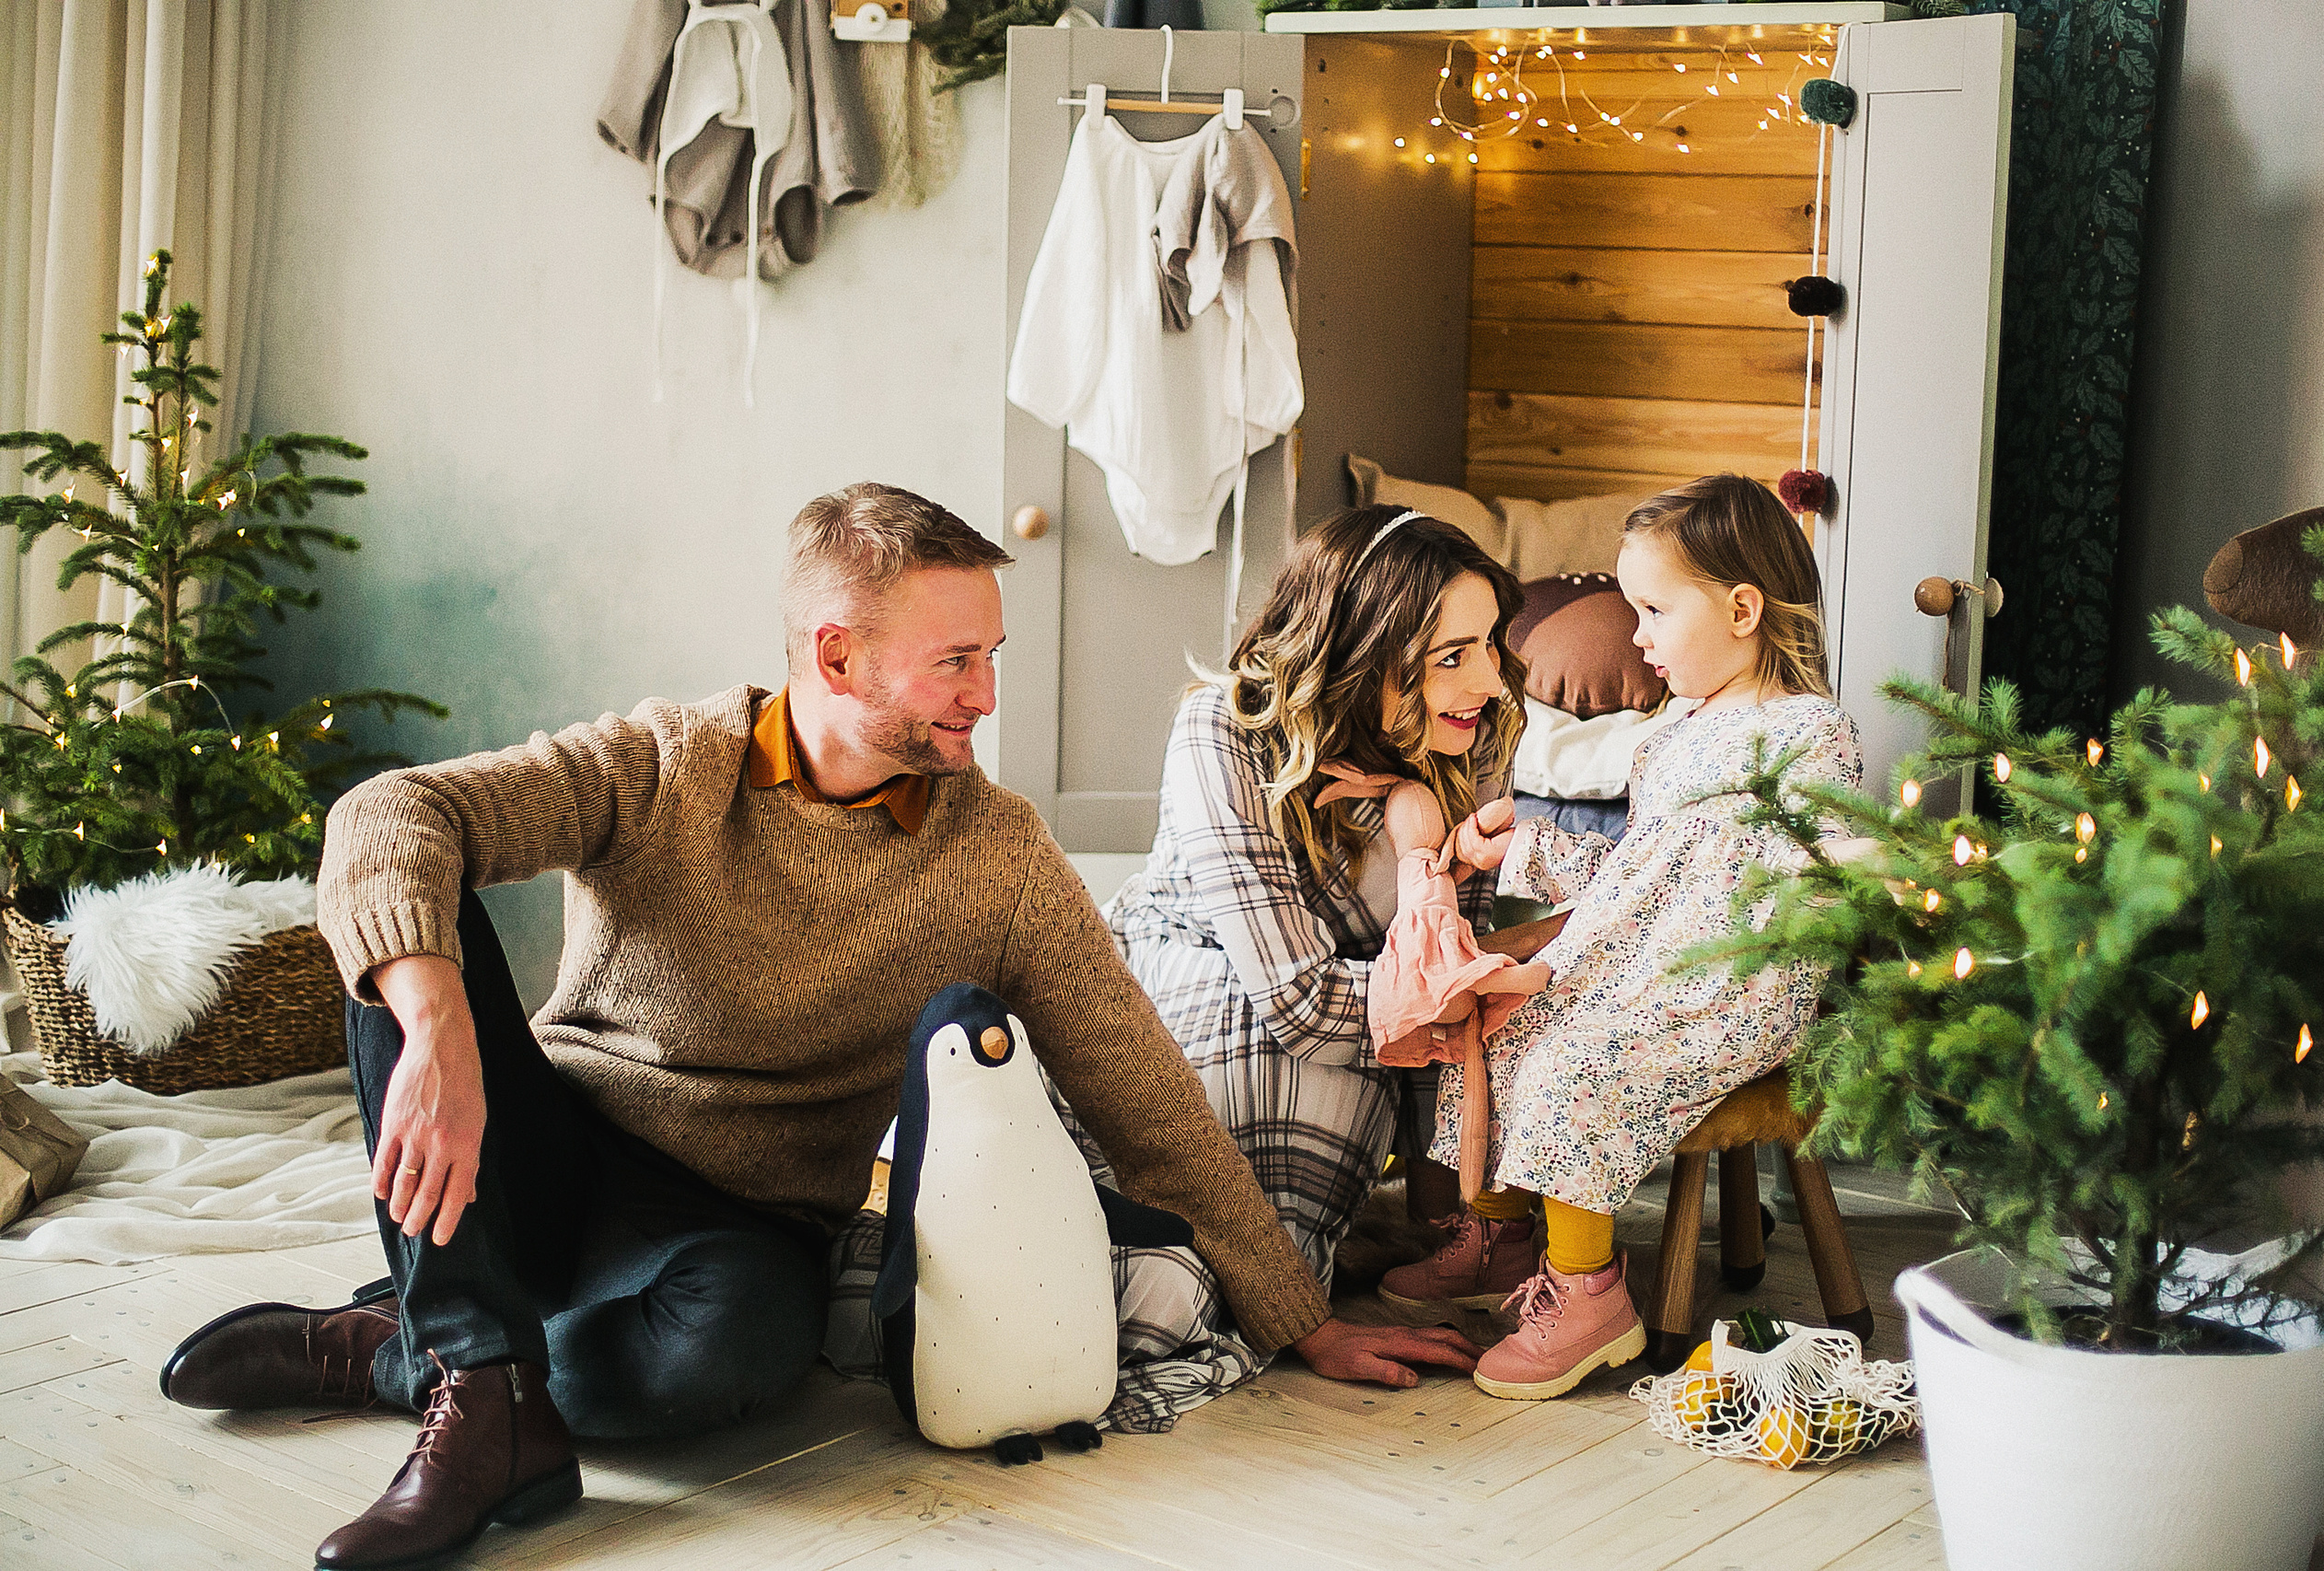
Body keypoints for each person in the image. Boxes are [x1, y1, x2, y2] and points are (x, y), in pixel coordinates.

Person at [157, 483, 1473, 1571]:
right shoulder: (665, 761)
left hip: (734, 1226)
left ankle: (424, 1349)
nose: (986, 695)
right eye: (957, 662)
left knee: (736, 1363)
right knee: (398, 939)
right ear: (838, 653)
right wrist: (439, 1025)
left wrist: (1303, 1317)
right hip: (556, 1141)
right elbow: (390, 815)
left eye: (992, 658)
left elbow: (1145, 1091)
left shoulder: (998, 853)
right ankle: (478, 1393)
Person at [1377, 472, 1865, 1402]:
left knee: (1579, 1064)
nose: (1634, 635)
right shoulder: (1675, 729)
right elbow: (1646, 864)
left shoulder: (1807, 729)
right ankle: (1505, 1232)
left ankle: (1591, 1294)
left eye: (1650, 609)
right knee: (1500, 1021)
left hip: (1733, 978)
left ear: (1742, 608)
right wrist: (1530, 841)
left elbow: (1809, 856)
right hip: (1645, 960)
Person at [1105, 506, 1538, 1298]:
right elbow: (1300, 999)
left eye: (1489, 643)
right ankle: (1252, 1275)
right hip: (1203, 974)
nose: (1489, 681)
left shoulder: (1476, 729)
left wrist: (1447, 1229)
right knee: (1268, 1122)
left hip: (1356, 1008)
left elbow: (1441, 955)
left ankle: (1313, 1258)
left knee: (1368, 1076)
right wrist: (1454, 989)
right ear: (1358, 655)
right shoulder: (1225, 729)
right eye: (1451, 656)